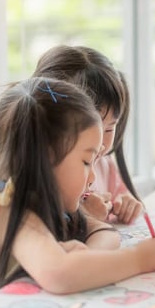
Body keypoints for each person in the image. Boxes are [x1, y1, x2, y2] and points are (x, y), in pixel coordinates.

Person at [0, 77, 155, 308]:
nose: (92, 178)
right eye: (87, 161)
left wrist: (81, 258)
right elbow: (59, 273)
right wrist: (140, 258)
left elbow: (101, 236)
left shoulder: (42, 202)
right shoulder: (6, 209)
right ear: (46, 159)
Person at [32, 45, 143, 225]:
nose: (101, 145)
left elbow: (121, 198)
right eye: (97, 128)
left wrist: (126, 204)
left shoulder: (105, 165)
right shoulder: (39, 175)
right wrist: (83, 218)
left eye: (110, 129)